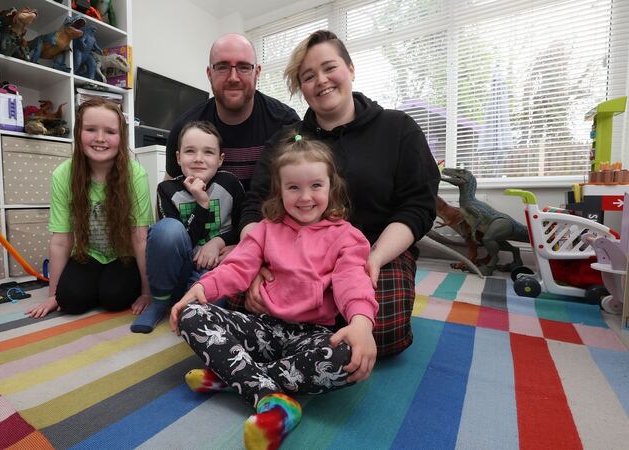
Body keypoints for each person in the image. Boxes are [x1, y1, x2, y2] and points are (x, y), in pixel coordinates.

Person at [238, 30, 440, 357]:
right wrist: (255, 262)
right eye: (308, 76)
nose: (321, 80)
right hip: (293, 255)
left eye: (329, 68)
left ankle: (285, 333)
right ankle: (302, 333)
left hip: (374, 251)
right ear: (301, 88)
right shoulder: (283, 143)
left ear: (350, 69)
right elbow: (253, 208)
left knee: (385, 330)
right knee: (235, 290)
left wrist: (373, 258)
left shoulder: (399, 129)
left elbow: (417, 207)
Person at [170, 133, 377, 450]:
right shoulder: (266, 229)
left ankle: (235, 376)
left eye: (315, 186)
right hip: (263, 327)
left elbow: (353, 279)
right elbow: (236, 267)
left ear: (331, 187)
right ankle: (269, 397)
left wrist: (361, 322)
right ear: (280, 191)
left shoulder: (347, 236)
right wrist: (200, 287)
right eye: (293, 187)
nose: (305, 197)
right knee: (192, 313)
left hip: (312, 334)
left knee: (346, 357)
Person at [26, 98, 154, 319]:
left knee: (114, 298)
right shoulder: (63, 175)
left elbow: (140, 238)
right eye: (91, 129)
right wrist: (52, 294)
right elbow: (61, 239)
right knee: (68, 300)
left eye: (110, 132)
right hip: (88, 254)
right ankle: (91, 286)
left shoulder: (136, 175)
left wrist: (146, 293)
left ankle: (105, 286)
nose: (100, 139)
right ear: (78, 133)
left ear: (121, 137)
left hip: (123, 256)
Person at [131, 121, 244, 333]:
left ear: (220, 159)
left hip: (211, 271)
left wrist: (218, 241)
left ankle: (187, 305)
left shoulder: (230, 184)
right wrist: (201, 204)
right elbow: (182, 238)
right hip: (179, 266)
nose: (199, 158)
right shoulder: (167, 189)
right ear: (178, 157)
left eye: (208, 152)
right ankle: (160, 301)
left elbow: (242, 227)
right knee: (167, 230)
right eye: (190, 151)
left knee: (202, 318)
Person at [165, 33, 300, 193]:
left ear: (257, 72)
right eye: (222, 67)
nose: (233, 78)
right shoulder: (185, 130)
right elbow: (167, 196)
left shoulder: (285, 123)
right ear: (209, 74)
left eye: (244, 67)